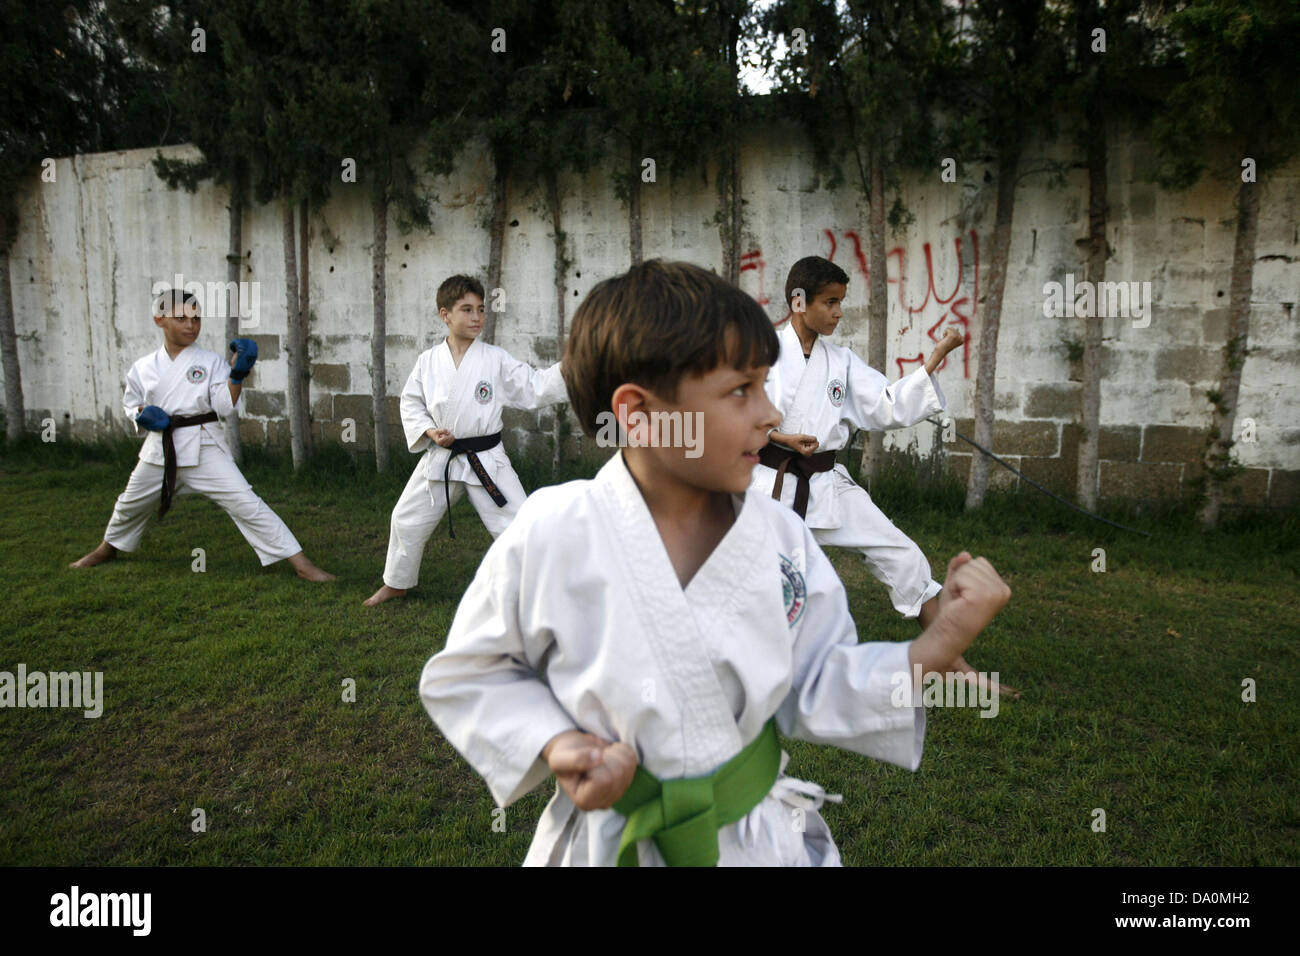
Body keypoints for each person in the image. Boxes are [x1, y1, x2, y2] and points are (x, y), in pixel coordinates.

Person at [419, 260, 1012, 866]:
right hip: (607, 840)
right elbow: (472, 673)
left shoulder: (780, 535)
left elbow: (814, 679)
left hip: (754, 840)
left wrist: (930, 651)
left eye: (764, 385)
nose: (771, 415)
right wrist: (556, 743)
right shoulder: (552, 531)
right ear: (639, 412)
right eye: (741, 391)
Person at [754, 256, 1015, 697]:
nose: (839, 312)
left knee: (904, 556)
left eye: (841, 302)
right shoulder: (761, 353)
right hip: (771, 488)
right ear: (798, 302)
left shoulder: (841, 362)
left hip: (826, 484)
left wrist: (934, 359)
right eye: (830, 302)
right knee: (756, 580)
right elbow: (733, 410)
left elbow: (888, 403)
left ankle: (951, 664)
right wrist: (780, 436)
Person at [70, 289, 334, 581]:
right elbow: (131, 403)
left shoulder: (209, 362)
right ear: (159, 319)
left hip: (204, 445)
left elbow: (223, 406)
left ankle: (301, 563)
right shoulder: (143, 367)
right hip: (161, 446)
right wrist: (142, 415)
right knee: (130, 502)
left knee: (245, 502)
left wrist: (236, 376)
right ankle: (107, 548)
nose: (190, 326)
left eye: (196, 319)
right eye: (181, 318)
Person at [364, 275, 568, 606]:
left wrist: (572, 368)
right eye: (466, 309)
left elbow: (534, 386)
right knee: (405, 517)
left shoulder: (495, 358)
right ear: (445, 315)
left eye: (481, 310)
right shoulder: (428, 361)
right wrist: (430, 431)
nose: (477, 317)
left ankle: (545, 590)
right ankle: (397, 583)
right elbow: (411, 402)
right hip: (441, 458)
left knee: (518, 523)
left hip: (486, 459)